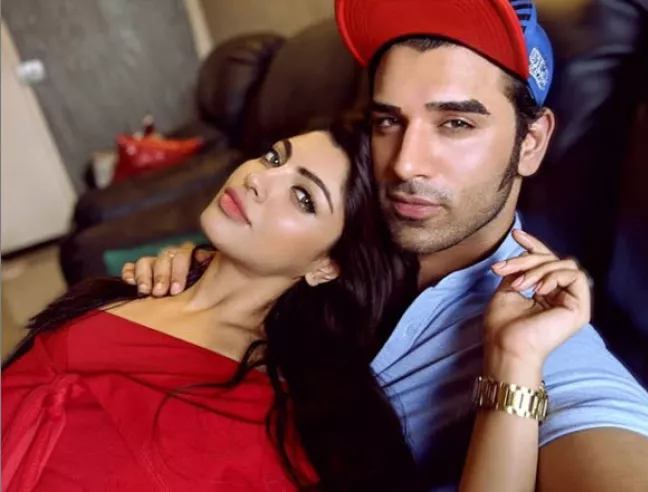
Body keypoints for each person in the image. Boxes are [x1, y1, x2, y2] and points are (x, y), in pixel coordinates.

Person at [126, 0, 648, 490]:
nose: (405, 164)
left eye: (455, 123)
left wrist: (513, 367)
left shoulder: (547, 346)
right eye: (389, 120)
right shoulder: (343, 231)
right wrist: (197, 282)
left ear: (531, 143)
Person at [2, 116, 592, 492]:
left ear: (327, 265)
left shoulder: (288, 418)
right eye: (274, 157)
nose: (260, 178)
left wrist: (514, 360)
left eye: (304, 197)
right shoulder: (131, 286)